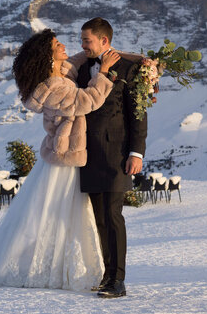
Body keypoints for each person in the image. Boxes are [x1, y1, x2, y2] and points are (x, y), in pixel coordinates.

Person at [0, 28, 121, 291]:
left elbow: (75, 61)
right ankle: (53, 270)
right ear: (48, 56)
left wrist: (111, 56)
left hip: (62, 153)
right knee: (61, 215)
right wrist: (103, 73)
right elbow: (88, 101)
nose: (64, 45)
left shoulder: (57, 75)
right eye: (57, 45)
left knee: (53, 214)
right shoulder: (54, 87)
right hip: (65, 157)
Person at [75, 17, 147, 298]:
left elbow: (138, 114)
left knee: (113, 215)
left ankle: (118, 281)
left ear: (104, 41)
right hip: (88, 156)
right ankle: (106, 276)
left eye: (87, 41)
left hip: (117, 155)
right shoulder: (82, 69)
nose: (82, 46)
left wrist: (136, 152)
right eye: (81, 40)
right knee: (98, 219)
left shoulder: (130, 69)